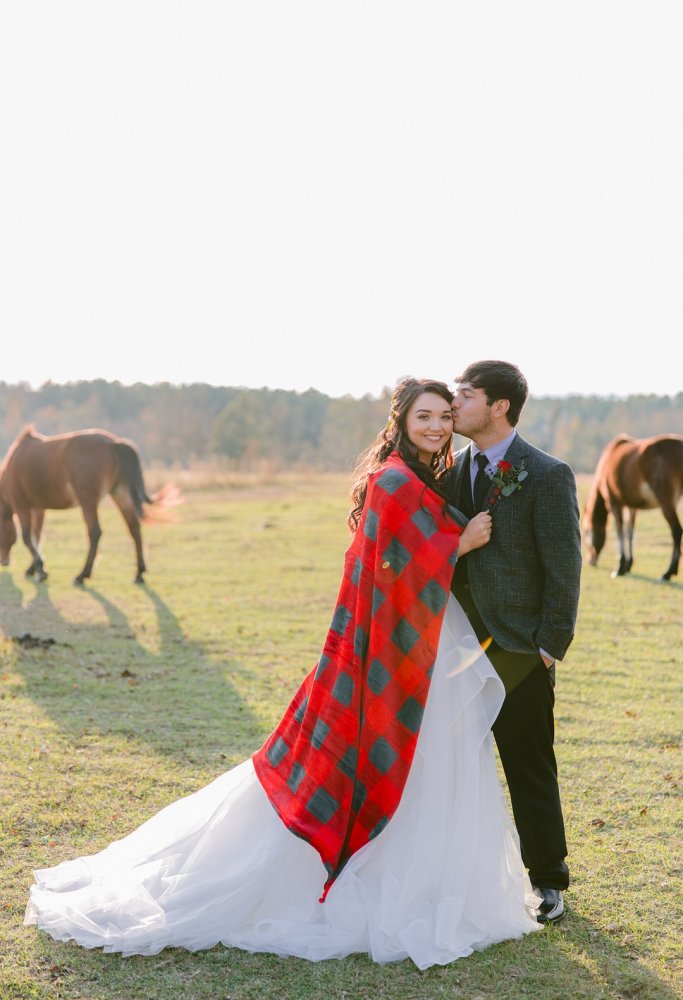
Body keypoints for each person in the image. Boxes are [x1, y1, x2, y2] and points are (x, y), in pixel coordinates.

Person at [25, 378, 541, 969]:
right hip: (396, 641)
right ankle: (371, 878)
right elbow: (392, 568)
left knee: (425, 761)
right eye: (425, 416)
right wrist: (460, 545)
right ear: (400, 420)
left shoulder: (415, 474)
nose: (437, 427)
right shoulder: (395, 480)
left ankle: (411, 872)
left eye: (446, 417)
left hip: (416, 636)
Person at [447, 360, 582, 924]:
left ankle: (547, 879)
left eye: (466, 394)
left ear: (499, 406)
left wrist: (549, 646)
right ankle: (457, 876)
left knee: (528, 763)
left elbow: (565, 567)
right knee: (452, 764)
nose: (455, 404)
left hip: (519, 650)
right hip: (452, 646)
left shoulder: (546, 474)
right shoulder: (449, 470)